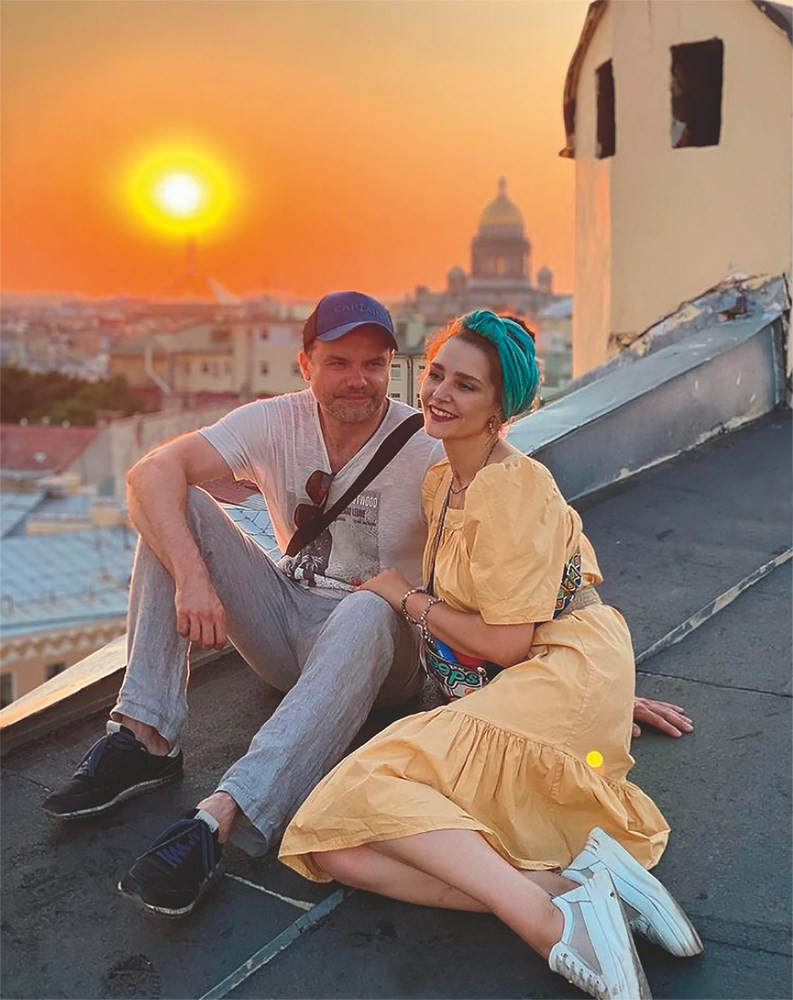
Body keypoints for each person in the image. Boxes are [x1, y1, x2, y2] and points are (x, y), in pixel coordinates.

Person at [43, 291, 692, 922]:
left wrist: (574, 682)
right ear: (306, 364)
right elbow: (148, 474)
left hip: (381, 649)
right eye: (338, 362)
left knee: (368, 605)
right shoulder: (280, 423)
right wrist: (193, 579)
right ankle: (146, 737)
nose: (357, 380)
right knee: (172, 505)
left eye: (373, 364)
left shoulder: (436, 446)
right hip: (286, 626)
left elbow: (535, 564)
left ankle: (223, 814)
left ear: (391, 368)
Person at [279, 311, 702, 1000]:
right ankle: (575, 887)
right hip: (542, 672)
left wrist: (404, 597)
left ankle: (550, 923)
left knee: (352, 796)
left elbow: (510, 639)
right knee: (338, 848)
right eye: (436, 374)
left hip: (557, 667)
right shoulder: (444, 481)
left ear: (501, 408)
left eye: (466, 386)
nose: (440, 394)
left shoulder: (512, 485)